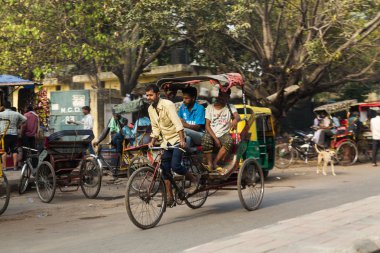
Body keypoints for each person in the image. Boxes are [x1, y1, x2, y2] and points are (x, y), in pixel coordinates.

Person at [145, 84, 199, 205]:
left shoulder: (168, 104)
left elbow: (177, 123)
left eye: (151, 95)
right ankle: (170, 198)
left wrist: (182, 140)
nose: (149, 97)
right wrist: (152, 142)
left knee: (175, 166)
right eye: (147, 95)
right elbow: (155, 128)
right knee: (164, 170)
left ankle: (194, 179)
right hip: (165, 141)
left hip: (176, 139)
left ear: (158, 94)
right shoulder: (150, 109)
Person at [201, 89, 240, 173]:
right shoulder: (210, 107)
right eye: (220, 95)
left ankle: (215, 163)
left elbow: (237, 116)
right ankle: (210, 163)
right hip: (212, 134)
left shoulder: (230, 107)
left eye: (224, 96)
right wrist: (216, 139)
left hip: (223, 134)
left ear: (228, 97)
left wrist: (235, 120)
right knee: (205, 138)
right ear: (218, 95)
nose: (221, 98)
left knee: (229, 140)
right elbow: (207, 125)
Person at [0, 101, 27, 171]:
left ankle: (4, 167)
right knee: (14, 151)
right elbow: (25, 119)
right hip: (14, 134)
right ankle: (15, 167)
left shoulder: (1, 114)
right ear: (10, 106)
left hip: (4, 134)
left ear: (4, 106)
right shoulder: (16, 113)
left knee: (4, 151)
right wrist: (18, 124)